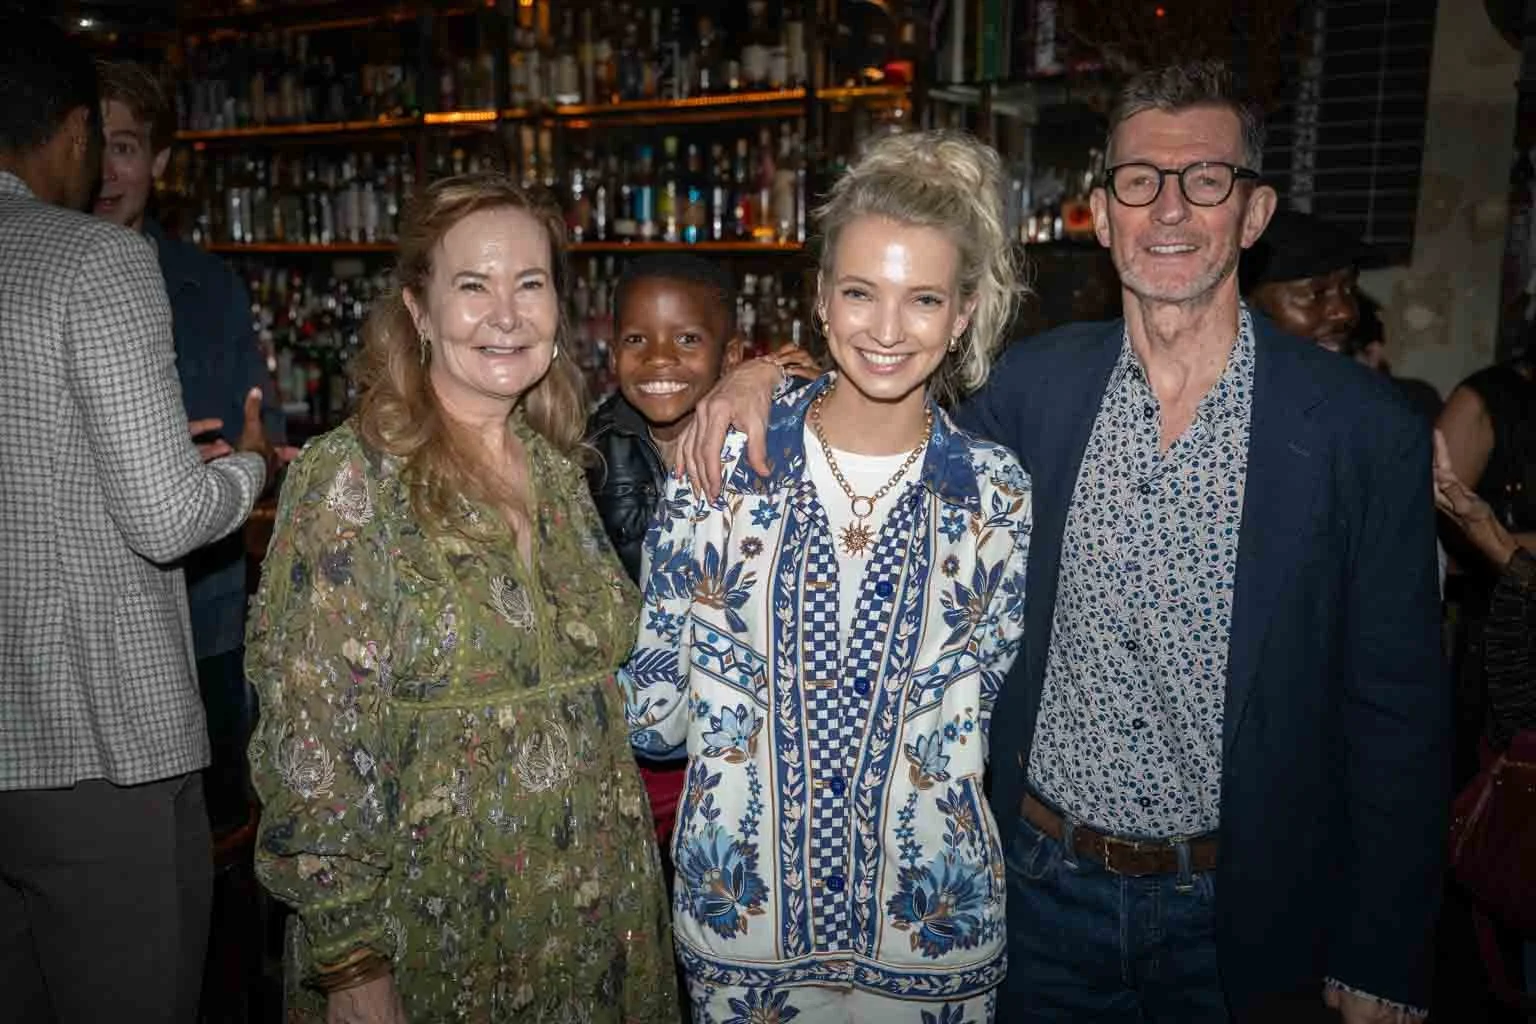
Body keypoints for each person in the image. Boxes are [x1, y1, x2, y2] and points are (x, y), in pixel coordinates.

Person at [679, 61, 1446, 1023]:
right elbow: (884, 384)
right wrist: (758, 375)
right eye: (1139, 181)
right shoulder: (1036, 390)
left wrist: (1383, 947)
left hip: (1241, 911)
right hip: (1040, 900)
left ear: (1253, 215)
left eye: (1205, 180)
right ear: (1100, 210)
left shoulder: (1357, 427)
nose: (1169, 208)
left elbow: (1401, 705)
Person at [245, 171, 678, 1024]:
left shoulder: (559, 469)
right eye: (472, 286)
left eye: (530, 284)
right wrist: (351, 963)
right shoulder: (353, 479)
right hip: (433, 944)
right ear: (418, 310)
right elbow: (313, 738)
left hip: (598, 933)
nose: (506, 314)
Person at [623, 129, 1031, 1022]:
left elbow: (989, 705)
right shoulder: (719, 461)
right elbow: (653, 713)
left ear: (963, 312)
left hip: (936, 938)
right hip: (744, 935)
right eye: (860, 292)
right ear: (818, 298)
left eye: (923, 299)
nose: (888, 331)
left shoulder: (999, 495)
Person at [0, 15, 271, 1024]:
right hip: (97, 736)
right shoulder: (92, 261)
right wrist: (246, 470)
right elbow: (165, 516)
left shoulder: (202, 280)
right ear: (69, 130)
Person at [92, 59, 287, 831]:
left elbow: (261, 436)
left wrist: (254, 455)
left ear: (161, 163)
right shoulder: (36, 276)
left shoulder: (209, 285)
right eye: (93, 145)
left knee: (215, 835)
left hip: (205, 613)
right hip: (82, 626)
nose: (107, 171)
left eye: (127, 148)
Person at [1243, 208, 1441, 420]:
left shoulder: (1399, 405)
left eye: (1350, 289)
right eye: (1317, 293)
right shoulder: (1219, 412)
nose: (1345, 312)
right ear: (1244, 304)